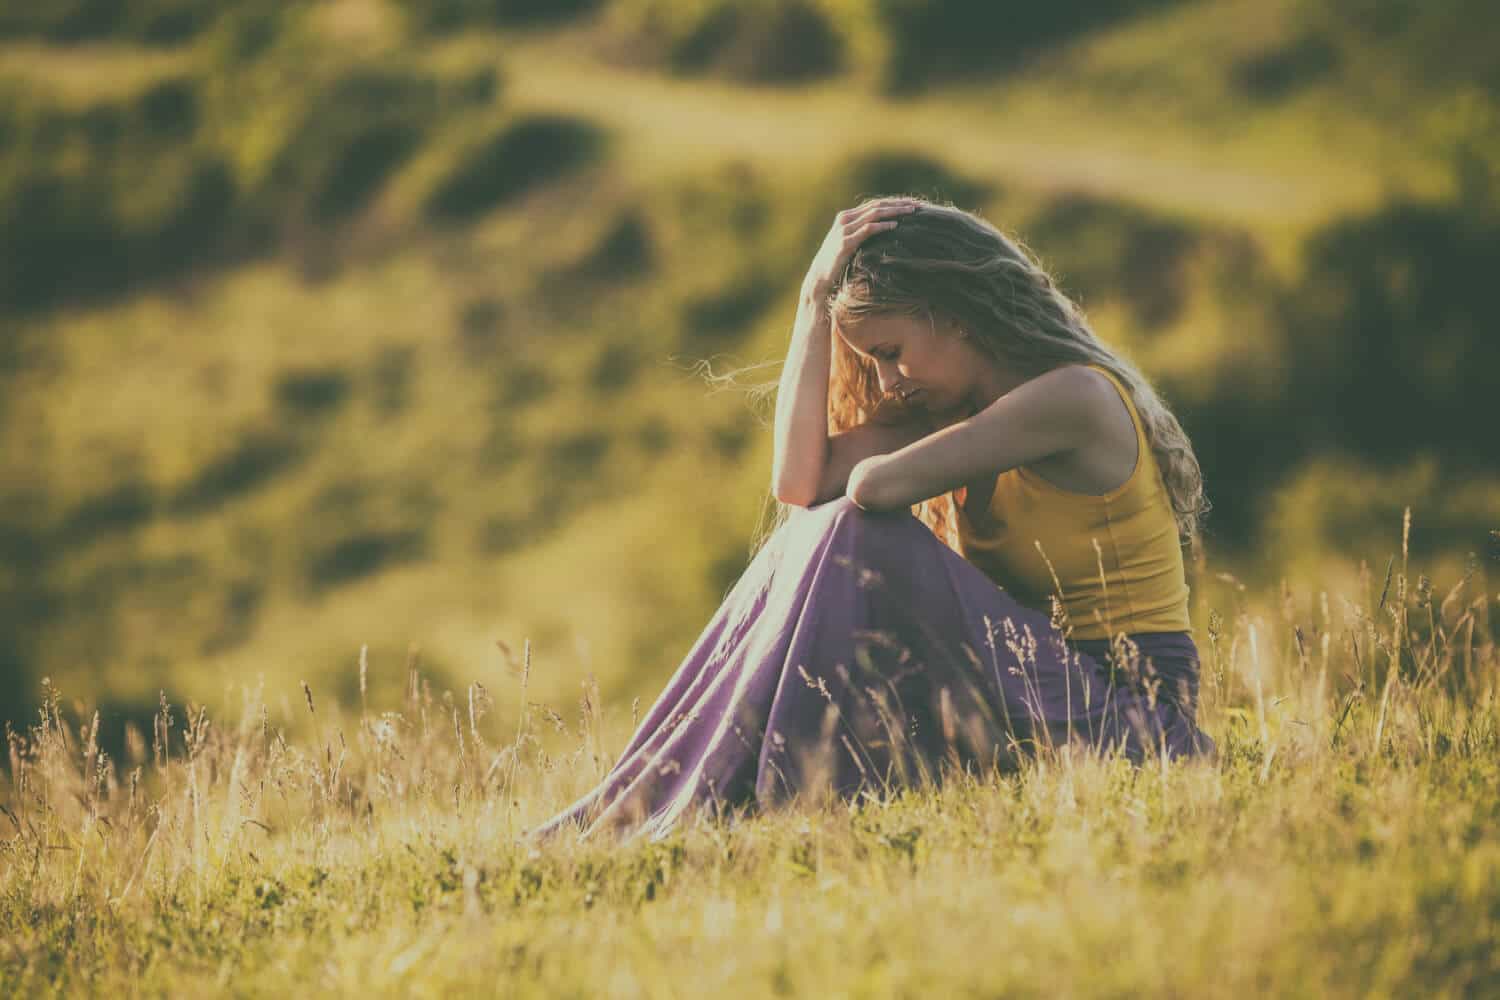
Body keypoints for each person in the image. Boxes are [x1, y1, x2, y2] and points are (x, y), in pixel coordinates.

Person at [525, 195, 1216, 845]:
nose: (886, 384)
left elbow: (870, 489)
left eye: (890, 353)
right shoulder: (949, 414)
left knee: (856, 526)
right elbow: (799, 485)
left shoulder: (1074, 399)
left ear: (957, 313)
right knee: (818, 525)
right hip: (1033, 690)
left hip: (1132, 712)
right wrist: (812, 300)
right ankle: (649, 798)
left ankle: (764, 796)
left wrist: (892, 439)